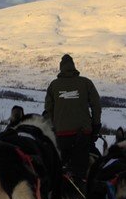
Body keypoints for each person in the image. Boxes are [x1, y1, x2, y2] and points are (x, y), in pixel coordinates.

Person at [44, 54, 102, 185]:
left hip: (61, 135)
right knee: (82, 168)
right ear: (73, 67)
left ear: (61, 68)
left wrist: (54, 126)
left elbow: (48, 109)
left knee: (60, 168)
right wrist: (96, 125)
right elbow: (96, 105)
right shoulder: (86, 83)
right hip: (83, 134)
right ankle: (83, 190)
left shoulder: (54, 85)